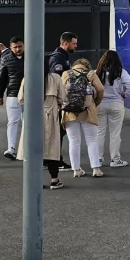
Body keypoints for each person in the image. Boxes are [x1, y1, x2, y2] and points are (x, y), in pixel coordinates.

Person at [17, 58, 67, 190]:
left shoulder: (28, 78)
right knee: (52, 149)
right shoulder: (55, 78)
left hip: (32, 116)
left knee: (33, 148)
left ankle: (34, 180)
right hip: (50, 116)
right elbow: (63, 98)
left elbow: (21, 99)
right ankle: (54, 179)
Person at [60, 57, 105, 177]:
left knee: (73, 141)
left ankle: (76, 169)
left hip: (69, 112)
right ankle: (96, 169)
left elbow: (61, 92)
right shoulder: (90, 74)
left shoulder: (66, 74)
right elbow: (100, 89)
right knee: (91, 140)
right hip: (88, 110)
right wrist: (95, 102)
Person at [95, 49, 130, 167]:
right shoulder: (120, 72)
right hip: (117, 104)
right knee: (115, 134)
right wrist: (125, 94)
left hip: (100, 104)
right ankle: (115, 160)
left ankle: (98, 159)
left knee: (99, 132)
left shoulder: (97, 72)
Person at [46, 32, 78, 167]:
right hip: (57, 101)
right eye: (74, 43)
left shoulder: (62, 56)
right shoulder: (58, 58)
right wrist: (60, 101)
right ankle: (54, 159)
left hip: (58, 100)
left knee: (59, 131)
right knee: (58, 131)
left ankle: (54, 159)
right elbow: (56, 79)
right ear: (65, 43)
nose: (76, 46)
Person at [0, 37, 26, 160]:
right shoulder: (6, 59)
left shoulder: (31, 57)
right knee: (12, 122)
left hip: (29, 94)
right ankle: (11, 148)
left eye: (20, 46)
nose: (18, 49)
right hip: (13, 94)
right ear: (10, 47)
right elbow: (1, 78)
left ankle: (24, 149)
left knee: (26, 123)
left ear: (24, 45)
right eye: (15, 47)